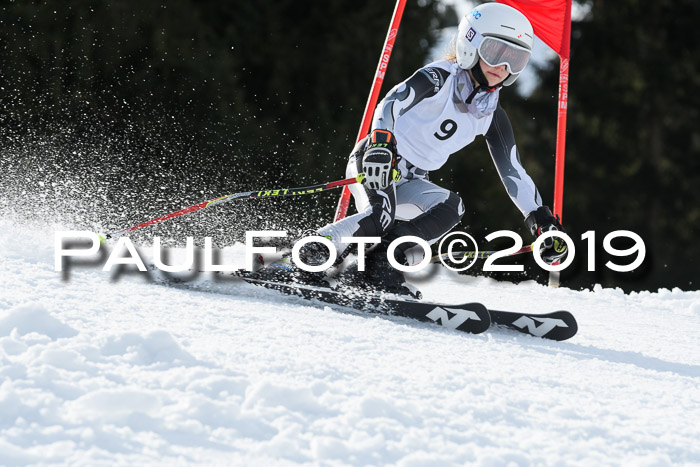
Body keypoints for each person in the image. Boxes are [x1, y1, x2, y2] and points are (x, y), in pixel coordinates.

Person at [256, 3, 567, 295]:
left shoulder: (492, 115)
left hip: (411, 177)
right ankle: (302, 257)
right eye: (495, 52)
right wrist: (381, 143)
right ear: (470, 44)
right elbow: (391, 102)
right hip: (378, 158)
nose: (503, 66)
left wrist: (539, 219)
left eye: (515, 59)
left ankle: (376, 269)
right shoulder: (439, 77)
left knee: (451, 207)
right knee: (381, 214)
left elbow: (513, 172)